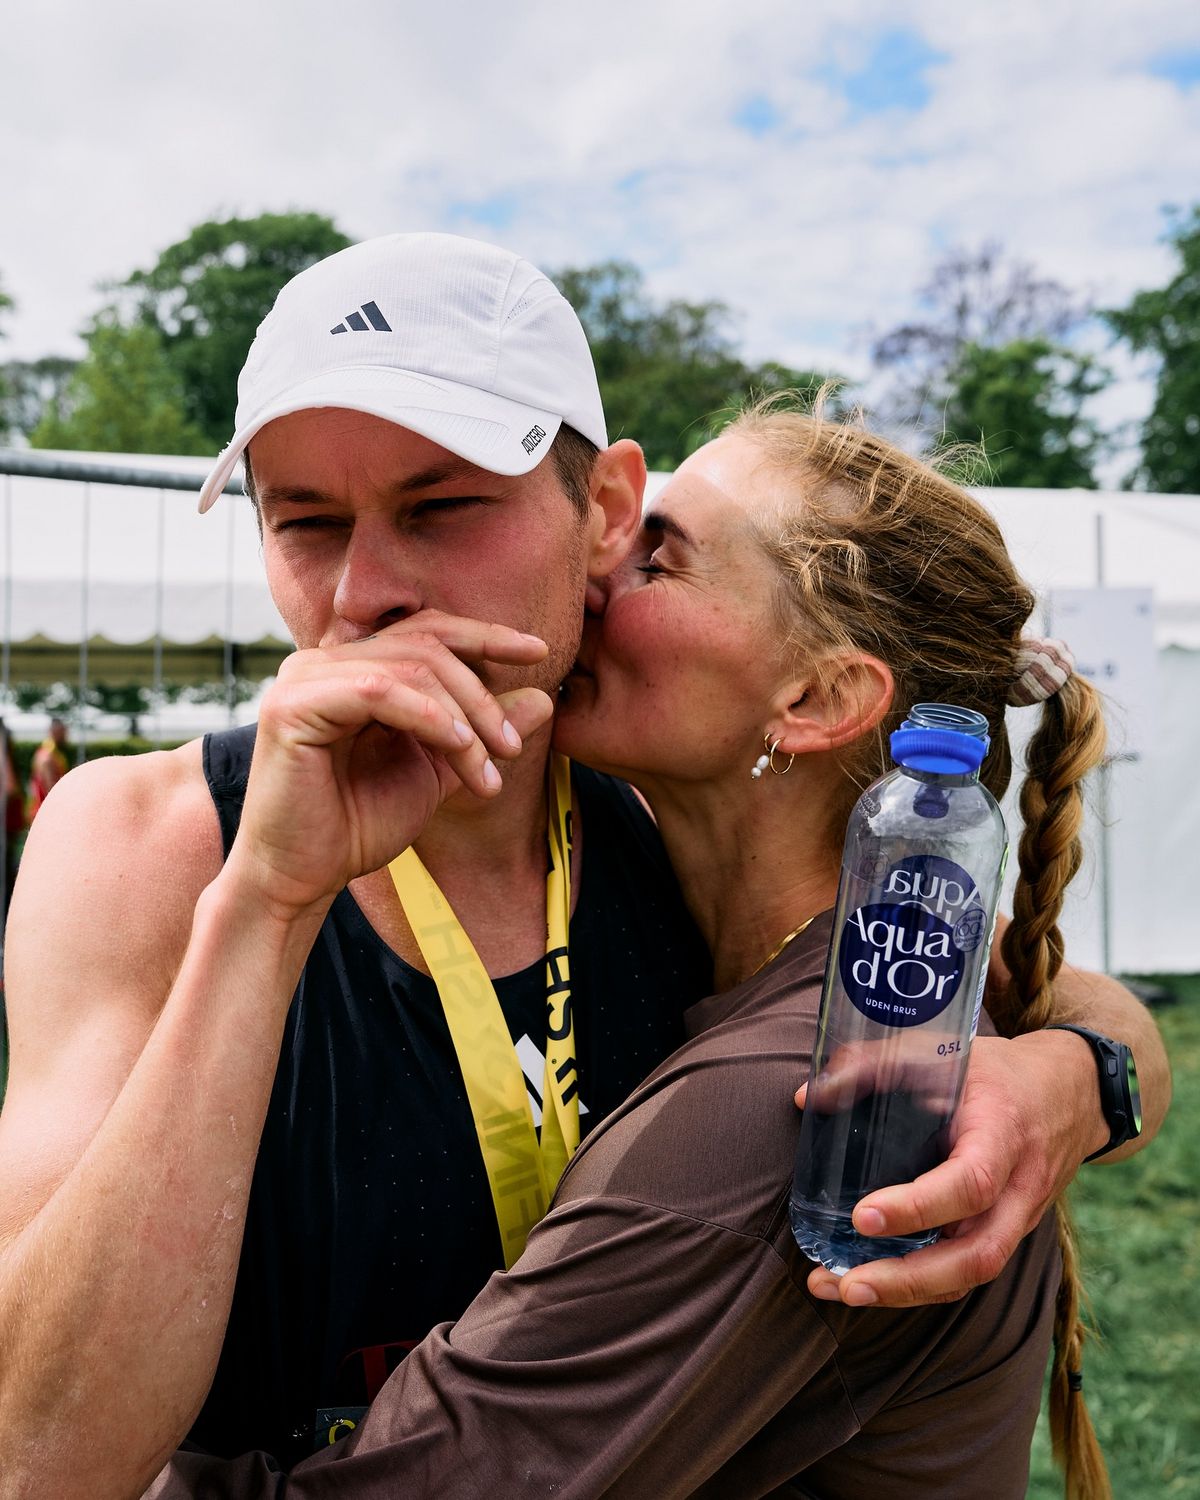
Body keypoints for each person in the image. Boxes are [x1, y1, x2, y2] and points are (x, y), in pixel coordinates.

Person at [0, 236, 1165, 1500]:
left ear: (605, 512)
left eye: (443, 507)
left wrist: (1073, 1076)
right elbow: (34, 1460)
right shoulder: (142, 844)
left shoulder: (673, 813)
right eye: (305, 522)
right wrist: (267, 903)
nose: (368, 594)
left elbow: (1032, 985)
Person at [28, 715, 68, 818]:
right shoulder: (48, 756)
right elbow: (51, 789)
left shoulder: (46, 752)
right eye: (64, 732)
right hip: (46, 812)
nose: (66, 736)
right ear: (56, 732)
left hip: (43, 809)